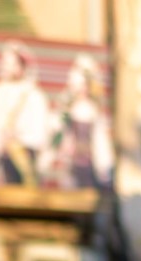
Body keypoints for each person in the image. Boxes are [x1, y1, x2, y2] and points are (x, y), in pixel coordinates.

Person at [0, 41, 50, 187]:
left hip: (25, 158)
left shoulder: (34, 95)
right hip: (3, 157)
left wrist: (19, 138)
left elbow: (40, 132)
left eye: (10, 64)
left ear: (21, 66)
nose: (5, 67)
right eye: (4, 63)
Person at [44, 54, 113, 189]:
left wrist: (104, 167)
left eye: (84, 85)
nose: (81, 89)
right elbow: (57, 133)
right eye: (78, 84)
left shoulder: (94, 110)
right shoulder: (67, 108)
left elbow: (100, 140)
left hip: (88, 164)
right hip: (69, 163)